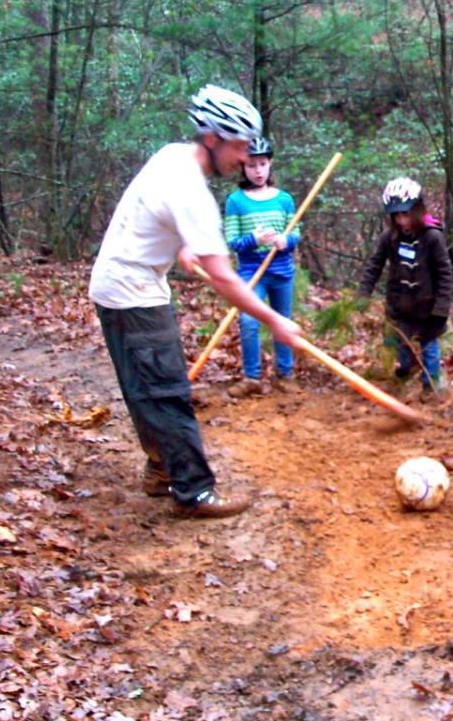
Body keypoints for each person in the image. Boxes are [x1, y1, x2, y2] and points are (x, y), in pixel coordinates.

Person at [89, 85, 302, 518]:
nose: (244, 158)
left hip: (114, 285)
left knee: (144, 390)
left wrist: (182, 246)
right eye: (239, 146)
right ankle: (195, 491)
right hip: (134, 294)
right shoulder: (193, 191)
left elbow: (152, 213)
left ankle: (161, 469)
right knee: (167, 392)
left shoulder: (171, 156)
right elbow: (224, 277)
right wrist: (273, 320)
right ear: (212, 138)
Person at [359, 177, 453, 395]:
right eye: (397, 215)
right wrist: (363, 292)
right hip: (399, 304)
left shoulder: (432, 237)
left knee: (429, 348)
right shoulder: (390, 237)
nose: (402, 220)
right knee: (396, 342)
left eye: (406, 214)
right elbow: (375, 264)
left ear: (417, 209)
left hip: (427, 307)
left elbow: (445, 274)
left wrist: (441, 309)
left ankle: (432, 388)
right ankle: (405, 371)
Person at [223, 136, 299, 397]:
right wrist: (253, 240)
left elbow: (295, 233)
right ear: (243, 167)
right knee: (248, 321)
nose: (258, 171)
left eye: (263, 164)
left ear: (270, 164)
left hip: (282, 270)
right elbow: (233, 241)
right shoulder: (236, 201)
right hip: (251, 272)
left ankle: (285, 373)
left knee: (282, 320)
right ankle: (252, 376)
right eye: (252, 165)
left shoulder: (284, 200)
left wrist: (284, 240)